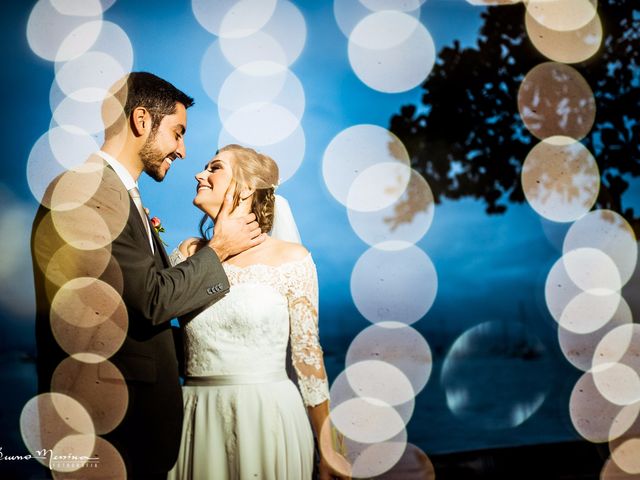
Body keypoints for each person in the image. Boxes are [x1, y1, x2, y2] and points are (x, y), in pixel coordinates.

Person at [31, 72, 264, 479]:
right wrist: (220, 248)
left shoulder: (114, 194)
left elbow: (120, 316)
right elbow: (150, 300)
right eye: (177, 133)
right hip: (106, 424)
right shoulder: (87, 192)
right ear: (141, 121)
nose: (182, 150)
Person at [167, 144, 351, 480]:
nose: (199, 174)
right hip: (196, 415)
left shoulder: (291, 259)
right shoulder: (187, 253)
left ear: (248, 186)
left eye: (214, 167)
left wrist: (328, 446)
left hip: (269, 415)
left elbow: (308, 356)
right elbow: (158, 306)